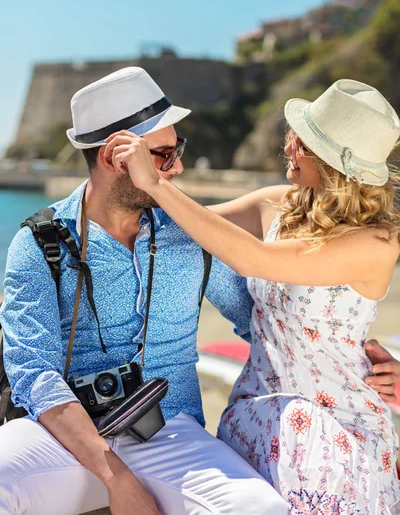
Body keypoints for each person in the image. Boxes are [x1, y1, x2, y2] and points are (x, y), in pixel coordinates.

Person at [0, 68, 288, 515]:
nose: (178, 167)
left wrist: (355, 360)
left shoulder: (190, 233)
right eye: (165, 155)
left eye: (179, 151)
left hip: (169, 429)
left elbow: (262, 325)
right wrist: (117, 478)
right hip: (68, 436)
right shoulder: (40, 243)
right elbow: (34, 373)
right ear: (118, 156)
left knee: (260, 509)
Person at [111, 79, 400, 514]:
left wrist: (156, 182)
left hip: (337, 427)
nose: (288, 147)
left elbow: (249, 258)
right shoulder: (278, 205)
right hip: (257, 416)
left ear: (332, 161)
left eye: (300, 141)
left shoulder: (377, 242)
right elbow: (184, 230)